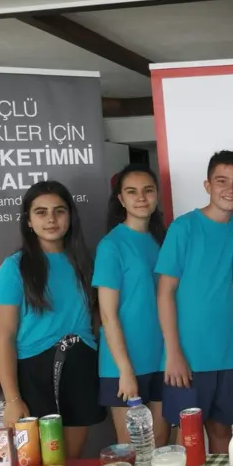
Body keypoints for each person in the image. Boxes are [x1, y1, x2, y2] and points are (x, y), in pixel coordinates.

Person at [0, 180, 104, 459]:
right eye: (41, 212)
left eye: (59, 211)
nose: (51, 219)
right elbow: (4, 336)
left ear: (70, 217)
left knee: (71, 461)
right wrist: (13, 399)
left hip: (81, 365)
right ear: (29, 221)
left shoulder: (84, 263)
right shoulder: (14, 268)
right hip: (36, 372)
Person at [156, 150, 233, 453]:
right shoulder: (184, 227)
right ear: (207, 185)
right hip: (188, 357)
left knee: (224, 433)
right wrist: (173, 353)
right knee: (188, 438)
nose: (230, 189)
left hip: (230, 356)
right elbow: (165, 292)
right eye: (222, 181)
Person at [93, 164, 170, 447]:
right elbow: (107, 314)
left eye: (148, 191)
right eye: (132, 192)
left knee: (161, 442)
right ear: (121, 199)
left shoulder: (161, 241)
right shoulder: (111, 245)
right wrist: (125, 369)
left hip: (161, 357)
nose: (141, 198)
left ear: (156, 195)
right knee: (133, 448)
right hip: (124, 363)